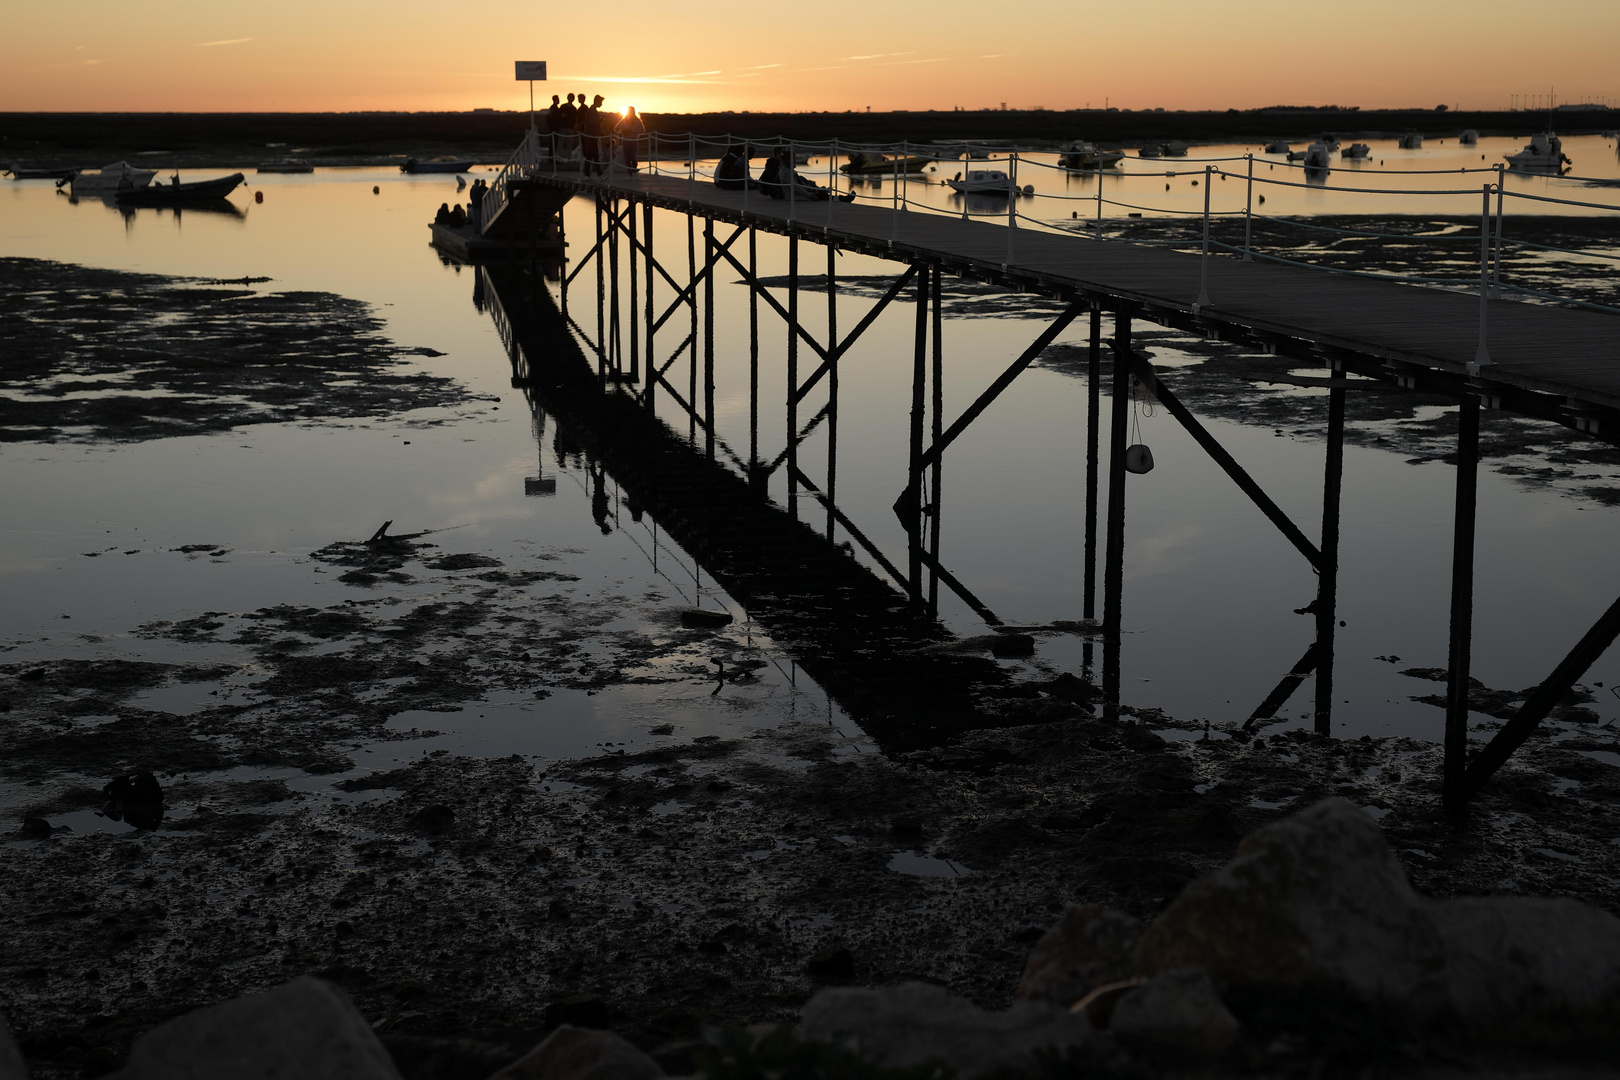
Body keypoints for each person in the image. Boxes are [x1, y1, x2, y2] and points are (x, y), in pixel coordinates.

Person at [614, 106, 645, 170]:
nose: (630, 113)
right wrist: (623, 130)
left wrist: (632, 131)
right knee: (627, 157)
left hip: (634, 140)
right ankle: (630, 172)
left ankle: (634, 170)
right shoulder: (624, 120)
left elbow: (642, 130)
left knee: (633, 157)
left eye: (631, 111)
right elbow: (616, 128)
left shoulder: (637, 121)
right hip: (626, 140)